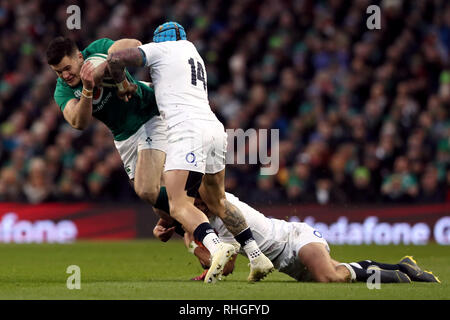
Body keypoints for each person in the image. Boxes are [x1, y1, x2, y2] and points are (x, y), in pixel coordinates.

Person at [107, 22, 274, 283]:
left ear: (159, 41)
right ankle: (257, 256)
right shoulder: (193, 52)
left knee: (178, 203)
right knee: (218, 201)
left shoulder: (162, 49)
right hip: (214, 129)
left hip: (186, 131)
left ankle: (217, 247)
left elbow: (116, 58)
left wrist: (120, 85)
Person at [154, 192, 441, 284]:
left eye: (198, 204)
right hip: (283, 263)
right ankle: (400, 266)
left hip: (294, 238)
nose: (197, 207)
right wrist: (181, 229)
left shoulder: (225, 210)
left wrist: (188, 238)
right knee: (344, 274)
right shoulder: (206, 218)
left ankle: (401, 276)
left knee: (331, 278)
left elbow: (225, 267)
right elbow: (216, 264)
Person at [46, 37, 171, 224]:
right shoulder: (63, 91)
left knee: (147, 188)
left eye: (67, 69)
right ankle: (196, 221)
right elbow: (78, 122)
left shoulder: (99, 48)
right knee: (162, 210)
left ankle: (200, 216)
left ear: (79, 57)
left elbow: (135, 45)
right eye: (58, 72)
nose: (64, 76)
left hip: (148, 112)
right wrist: (88, 89)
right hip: (124, 136)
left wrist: (103, 69)